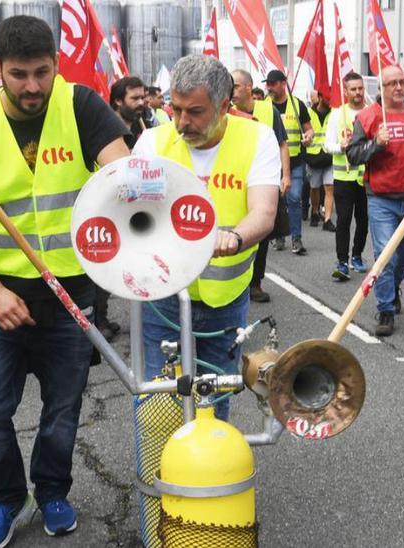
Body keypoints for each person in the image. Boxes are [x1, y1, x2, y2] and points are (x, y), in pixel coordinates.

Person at [0, 15, 131, 546]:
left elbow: (125, 175)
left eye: (42, 73)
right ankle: (8, 498)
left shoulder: (83, 106)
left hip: (70, 296)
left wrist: (129, 182)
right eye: (19, 74)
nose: (32, 87)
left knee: (63, 410)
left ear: (56, 65)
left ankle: (51, 492)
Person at [134, 55, 279, 420]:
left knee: (214, 396)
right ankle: (160, 473)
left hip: (224, 298)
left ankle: (210, 471)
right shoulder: (152, 144)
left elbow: (263, 213)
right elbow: (132, 213)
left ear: (224, 105)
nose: (183, 122)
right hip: (164, 297)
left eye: (195, 111)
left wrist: (232, 237)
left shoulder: (257, 139)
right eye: (176, 109)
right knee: (157, 395)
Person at [345, 65, 404, 337]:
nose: (399, 87)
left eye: (402, 81)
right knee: (384, 255)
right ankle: (386, 309)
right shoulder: (368, 117)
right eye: (392, 83)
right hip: (381, 198)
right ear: (380, 88)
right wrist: (376, 143)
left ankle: (393, 287)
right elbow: (353, 155)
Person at [230, 68, 290, 303]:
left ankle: (256, 283)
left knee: (261, 234)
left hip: (263, 180)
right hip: (235, 181)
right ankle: (236, 281)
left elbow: (282, 144)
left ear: (248, 87)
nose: (232, 91)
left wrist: (286, 176)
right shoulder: (225, 111)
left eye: (235, 86)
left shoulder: (268, 110)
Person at [263, 69, 318, 255]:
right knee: (277, 201)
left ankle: (296, 238)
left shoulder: (297, 105)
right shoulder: (264, 106)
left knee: (294, 198)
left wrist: (309, 137)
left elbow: (309, 130)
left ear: (282, 83)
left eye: (272, 83)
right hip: (271, 163)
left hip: (295, 162)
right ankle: (279, 236)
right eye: (267, 83)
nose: (268, 87)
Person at [324, 72, 369, 282]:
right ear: (346, 91)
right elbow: (327, 145)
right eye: (353, 89)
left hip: (367, 177)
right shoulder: (337, 114)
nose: (358, 92)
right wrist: (340, 147)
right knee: (343, 220)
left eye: (360, 88)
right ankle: (342, 261)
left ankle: (357, 256)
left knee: (364, 220)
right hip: (343, 178)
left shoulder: (371, 112)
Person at [304, 89, 334, 231]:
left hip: (329, 155)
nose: (331, 101)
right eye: (328, 98)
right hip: (314, 157)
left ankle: (327, 219)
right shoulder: (308, 113)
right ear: (321, 98)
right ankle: (315, 211)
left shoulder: (334, 113)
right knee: (314, 187)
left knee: (329, 188)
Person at [109, 75, 152, 148]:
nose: (141, 102)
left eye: (142, 98)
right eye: (135, 98)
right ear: (118, 101)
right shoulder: (106, 130)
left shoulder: (146, 127)